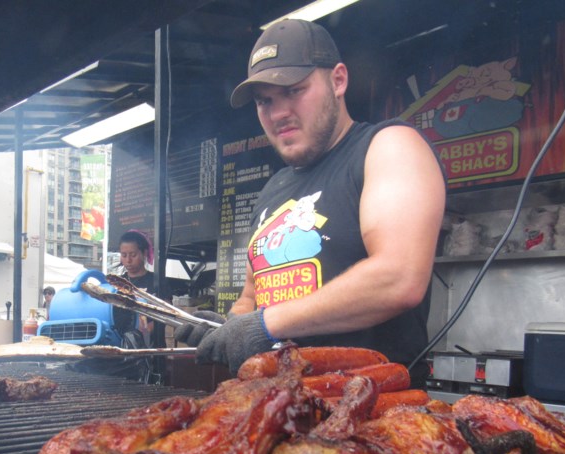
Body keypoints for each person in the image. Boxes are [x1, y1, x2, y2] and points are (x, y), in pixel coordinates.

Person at [175, 19, 446, 384]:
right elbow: (251, 297)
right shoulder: (273, 189)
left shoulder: (388, 146)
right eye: (264, 101)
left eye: (293, 91)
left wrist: (263, 324)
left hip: (372, 415)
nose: (277, 112)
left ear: (338, 80)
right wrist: (227, 326)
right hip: (278, 410)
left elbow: (399, 277)